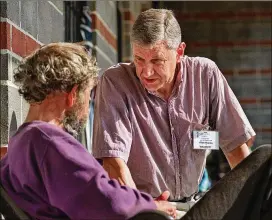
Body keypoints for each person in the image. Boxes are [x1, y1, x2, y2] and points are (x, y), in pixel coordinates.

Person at [92, 8, 256, 203]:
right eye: (139, 60)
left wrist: (253, 201)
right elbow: (113, 163)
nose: (147, 72)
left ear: (179, 51)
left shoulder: (205, 75)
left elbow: (237, 145)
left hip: (192, 203)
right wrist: (144, 210)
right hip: (143, 205)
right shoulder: (116, 82)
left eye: (157, 61)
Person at [0, 42, 176, 219]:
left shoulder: (21, 143)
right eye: (89, 94)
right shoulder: (50, 143)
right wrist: (151, 206)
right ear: (73, 94)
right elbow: (108, 202)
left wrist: (141, 203)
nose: (87, 107)